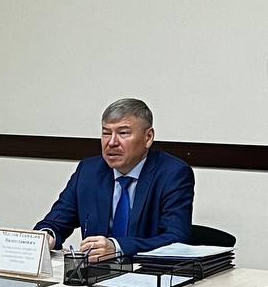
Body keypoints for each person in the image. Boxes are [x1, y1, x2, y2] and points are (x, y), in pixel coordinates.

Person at [35, 98, 194, 261]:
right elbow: (56, 221)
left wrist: (117, 247)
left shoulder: (173, 173)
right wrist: (47, 236)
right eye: (106, 133)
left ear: (148, 137)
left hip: (147, 271)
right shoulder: (89, 171)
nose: (111, 142)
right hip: (96, 272)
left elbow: (176, 239)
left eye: (123, 133)